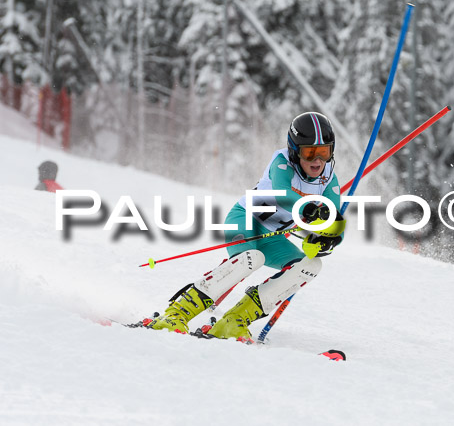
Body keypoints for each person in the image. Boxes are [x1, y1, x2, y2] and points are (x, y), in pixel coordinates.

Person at [146, 112, 345, 341]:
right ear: (294, 150)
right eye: (309, 152)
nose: (317, 160)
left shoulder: (329, 180)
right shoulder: (282, 162)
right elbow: (283, 195)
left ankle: (235, 321)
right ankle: (176, 313)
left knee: (310, 265)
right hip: (245, 220)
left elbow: (334, 220)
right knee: (250, 258)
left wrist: (327, 239)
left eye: (324, 152)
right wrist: (308, 208)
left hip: (273, 236)